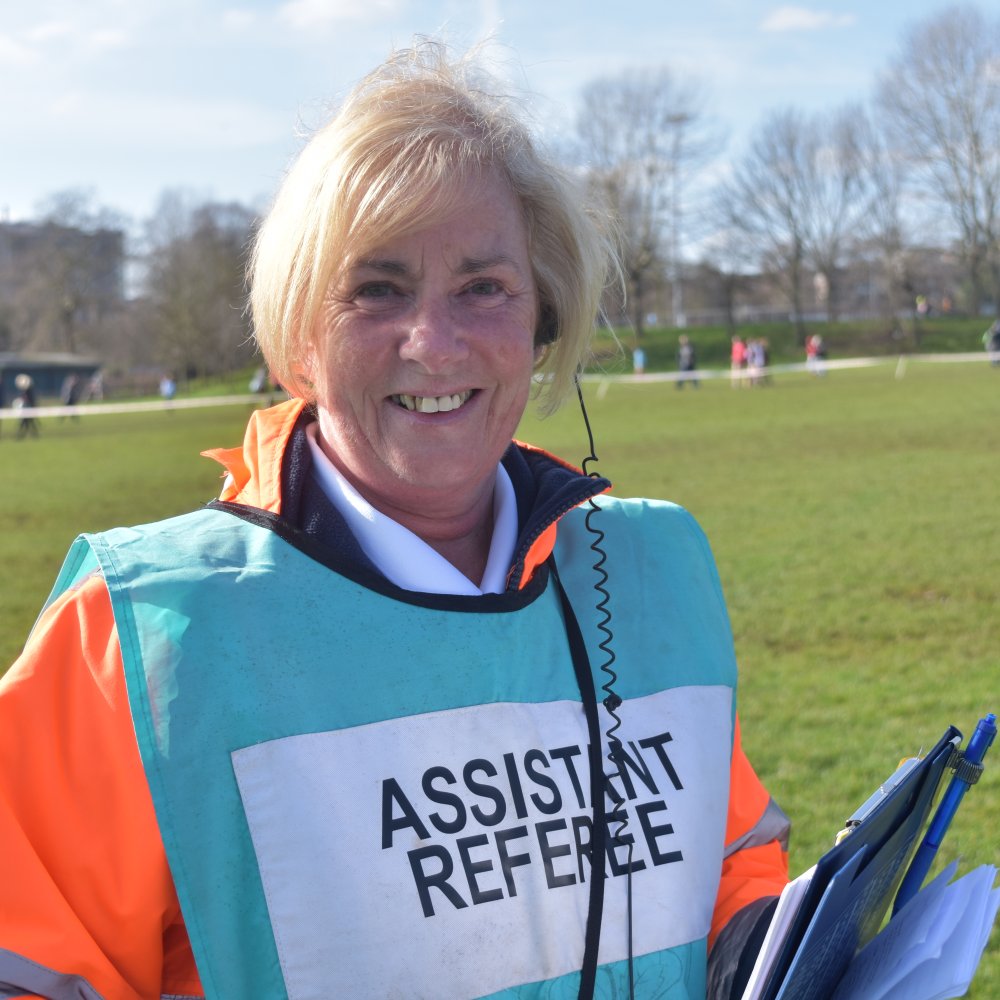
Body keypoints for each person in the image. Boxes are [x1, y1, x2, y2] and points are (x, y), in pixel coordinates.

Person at [0, 43, 788, 1000]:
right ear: (300, 336)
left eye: (483, 286)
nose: (435, 342)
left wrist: (771, 951)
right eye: (376, 289)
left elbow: (729, 861)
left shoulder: (651, 570)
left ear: (542, 318)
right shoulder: (139, 635)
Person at [13, 372, 39, 438]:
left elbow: (31, 400)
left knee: (29, 423)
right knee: (25, 423)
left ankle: (23, 435)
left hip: (28, 408)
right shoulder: (24, 391)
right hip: (25, 408)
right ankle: (22, 435)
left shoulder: (29, 391)